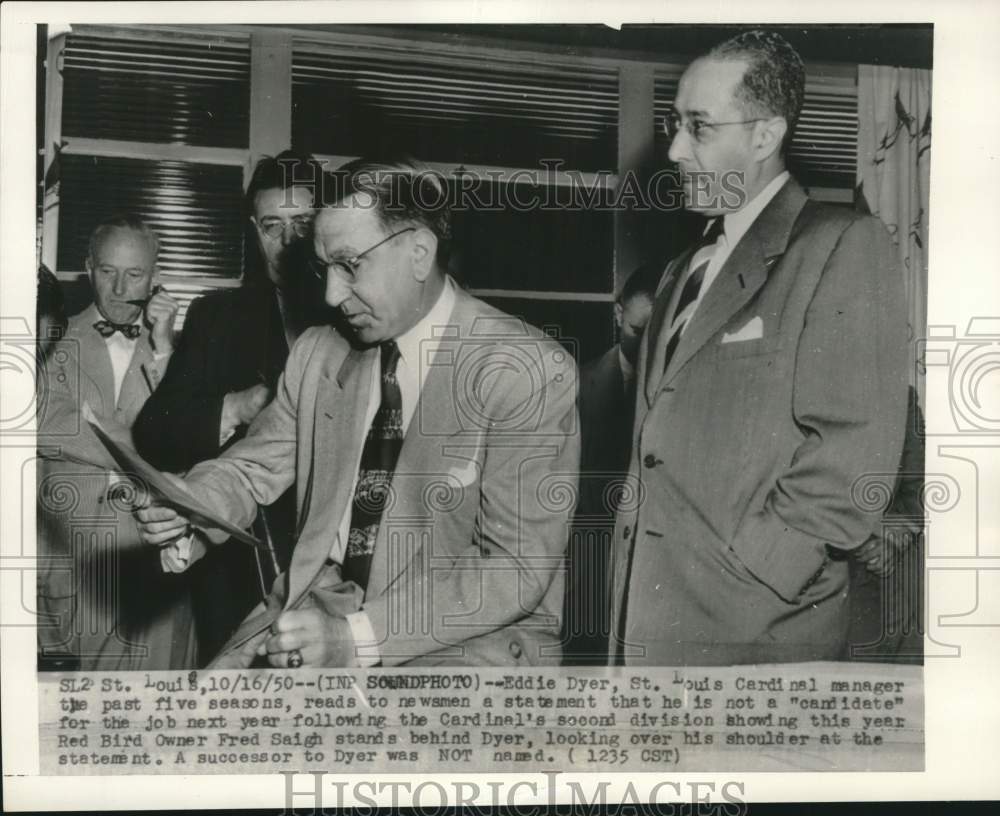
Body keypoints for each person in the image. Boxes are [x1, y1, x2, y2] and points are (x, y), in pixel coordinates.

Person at [135, 157, 579, 668]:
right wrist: (191, 502)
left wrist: (355, 639)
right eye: (324, 269)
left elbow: (515, 567)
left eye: (349, 265)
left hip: (457, 644)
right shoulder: (321, 352)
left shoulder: (526, 369)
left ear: (419, 253)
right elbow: (253, 466)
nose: (330, 294)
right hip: (313, 606)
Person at [609, 30, 909, 666]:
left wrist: (761, 570)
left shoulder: (841, 245)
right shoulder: (679, 271)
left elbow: (853, 456)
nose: (673, 150)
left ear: (765, 136)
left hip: (756, 628)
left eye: (698, 127)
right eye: (673, 124)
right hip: (642, 619)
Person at [132, 150, 326, 663]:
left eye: (303, 223)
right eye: (272, 226)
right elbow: (154, 431)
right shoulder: (218, 316)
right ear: (252, 231)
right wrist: (237, 408)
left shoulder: (359, 314)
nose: (288, 243)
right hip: (238, 572)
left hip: (336, 580)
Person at [37, 214, 196, 670]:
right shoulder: (51, 339)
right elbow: (45, 421)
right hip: (77, 563)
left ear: (156, 276)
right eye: (108, 272)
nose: (121, 288)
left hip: (158, 564)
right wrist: (146, 439)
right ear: (88, 268)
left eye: (135, 274)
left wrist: (164, 350)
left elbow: (190, 440)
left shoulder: (181, 352)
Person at [563, 262, 659, 664]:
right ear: (618, 314)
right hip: (586, 581)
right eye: (638, 331)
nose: (646, 345)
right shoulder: (574, 387)